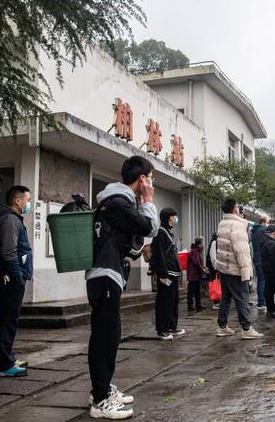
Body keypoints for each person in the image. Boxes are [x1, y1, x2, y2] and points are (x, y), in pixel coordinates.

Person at [85, 155, 159, 419]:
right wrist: (148, 202)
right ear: (142, 179)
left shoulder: (116, 203)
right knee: (105, 336)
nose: (151, 183)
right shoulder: (118, 203)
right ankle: (101, 400)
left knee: (109, 334)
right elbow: (151, 228)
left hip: (108, 273)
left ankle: (102, 390)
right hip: (105, 274)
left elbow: (134, 243)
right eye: (150, 179)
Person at [0, 186, 33, 378]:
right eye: (27, 199)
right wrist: (18, 277)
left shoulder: (12, 219)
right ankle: (4, 365)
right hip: (10, 278)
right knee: (7, 320)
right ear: (18, 201)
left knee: (9, 319)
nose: (28, 203)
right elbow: (9, 252)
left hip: (11, 277)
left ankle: (8, 357)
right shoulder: (10, 220)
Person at [215, 199, 263, 339]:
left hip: (224, 267)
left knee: (226, 298)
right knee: (242, 298)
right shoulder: (236, 226)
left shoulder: (222, 223)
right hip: (236, 268)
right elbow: (241, 251)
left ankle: (222, 326)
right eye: (237, 206)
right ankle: (246, 328)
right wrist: (246, 271)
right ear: (235, 209)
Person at [153, 208, 186, 340]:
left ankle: (172, 326)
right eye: (174, 216)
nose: (176, 219)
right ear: (168, 217)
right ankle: (163, 329)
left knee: (173, 302)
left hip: (174, 273)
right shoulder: (160, 233)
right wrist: (162, 274)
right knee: (164, 302)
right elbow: (159, 255)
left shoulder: (169, 233)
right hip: (166, 274)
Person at [260, 225, 275, 318]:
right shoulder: (270, 243)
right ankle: (272, 310)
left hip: (266, 269)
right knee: (270, 290)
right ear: (273, 233)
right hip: (271, 270)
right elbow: (273, 258)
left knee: (268, 289)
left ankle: (270, 309)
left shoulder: (264, 241)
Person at [251, 215, 268, 311]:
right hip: (261, 258)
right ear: (264, 222)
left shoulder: (254, 230)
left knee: (260, 280)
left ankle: (260, 301)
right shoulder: (263, 230)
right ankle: (261, 302)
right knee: (262, 281)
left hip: (256, 258)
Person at [186, 237, 207, 311]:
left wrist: (204, 268)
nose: (203, 244)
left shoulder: (199, 251)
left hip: (197, 274)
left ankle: (198, 304)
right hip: (193, 274)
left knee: (198, 290)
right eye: (202, 242)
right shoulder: (194, 251)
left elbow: (200, 262)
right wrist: (203, 269)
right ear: (199, 243)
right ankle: (190, 304)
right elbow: (196, 262)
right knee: (191, 290)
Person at [206, 232, 220, 310]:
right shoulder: (214, 242)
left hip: (214, 268)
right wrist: (216, 267)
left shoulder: (214, 242)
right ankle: (216, 302)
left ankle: (217, 301)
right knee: (215, 284)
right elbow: (213, 256)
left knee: (216, 284)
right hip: (214, 268)